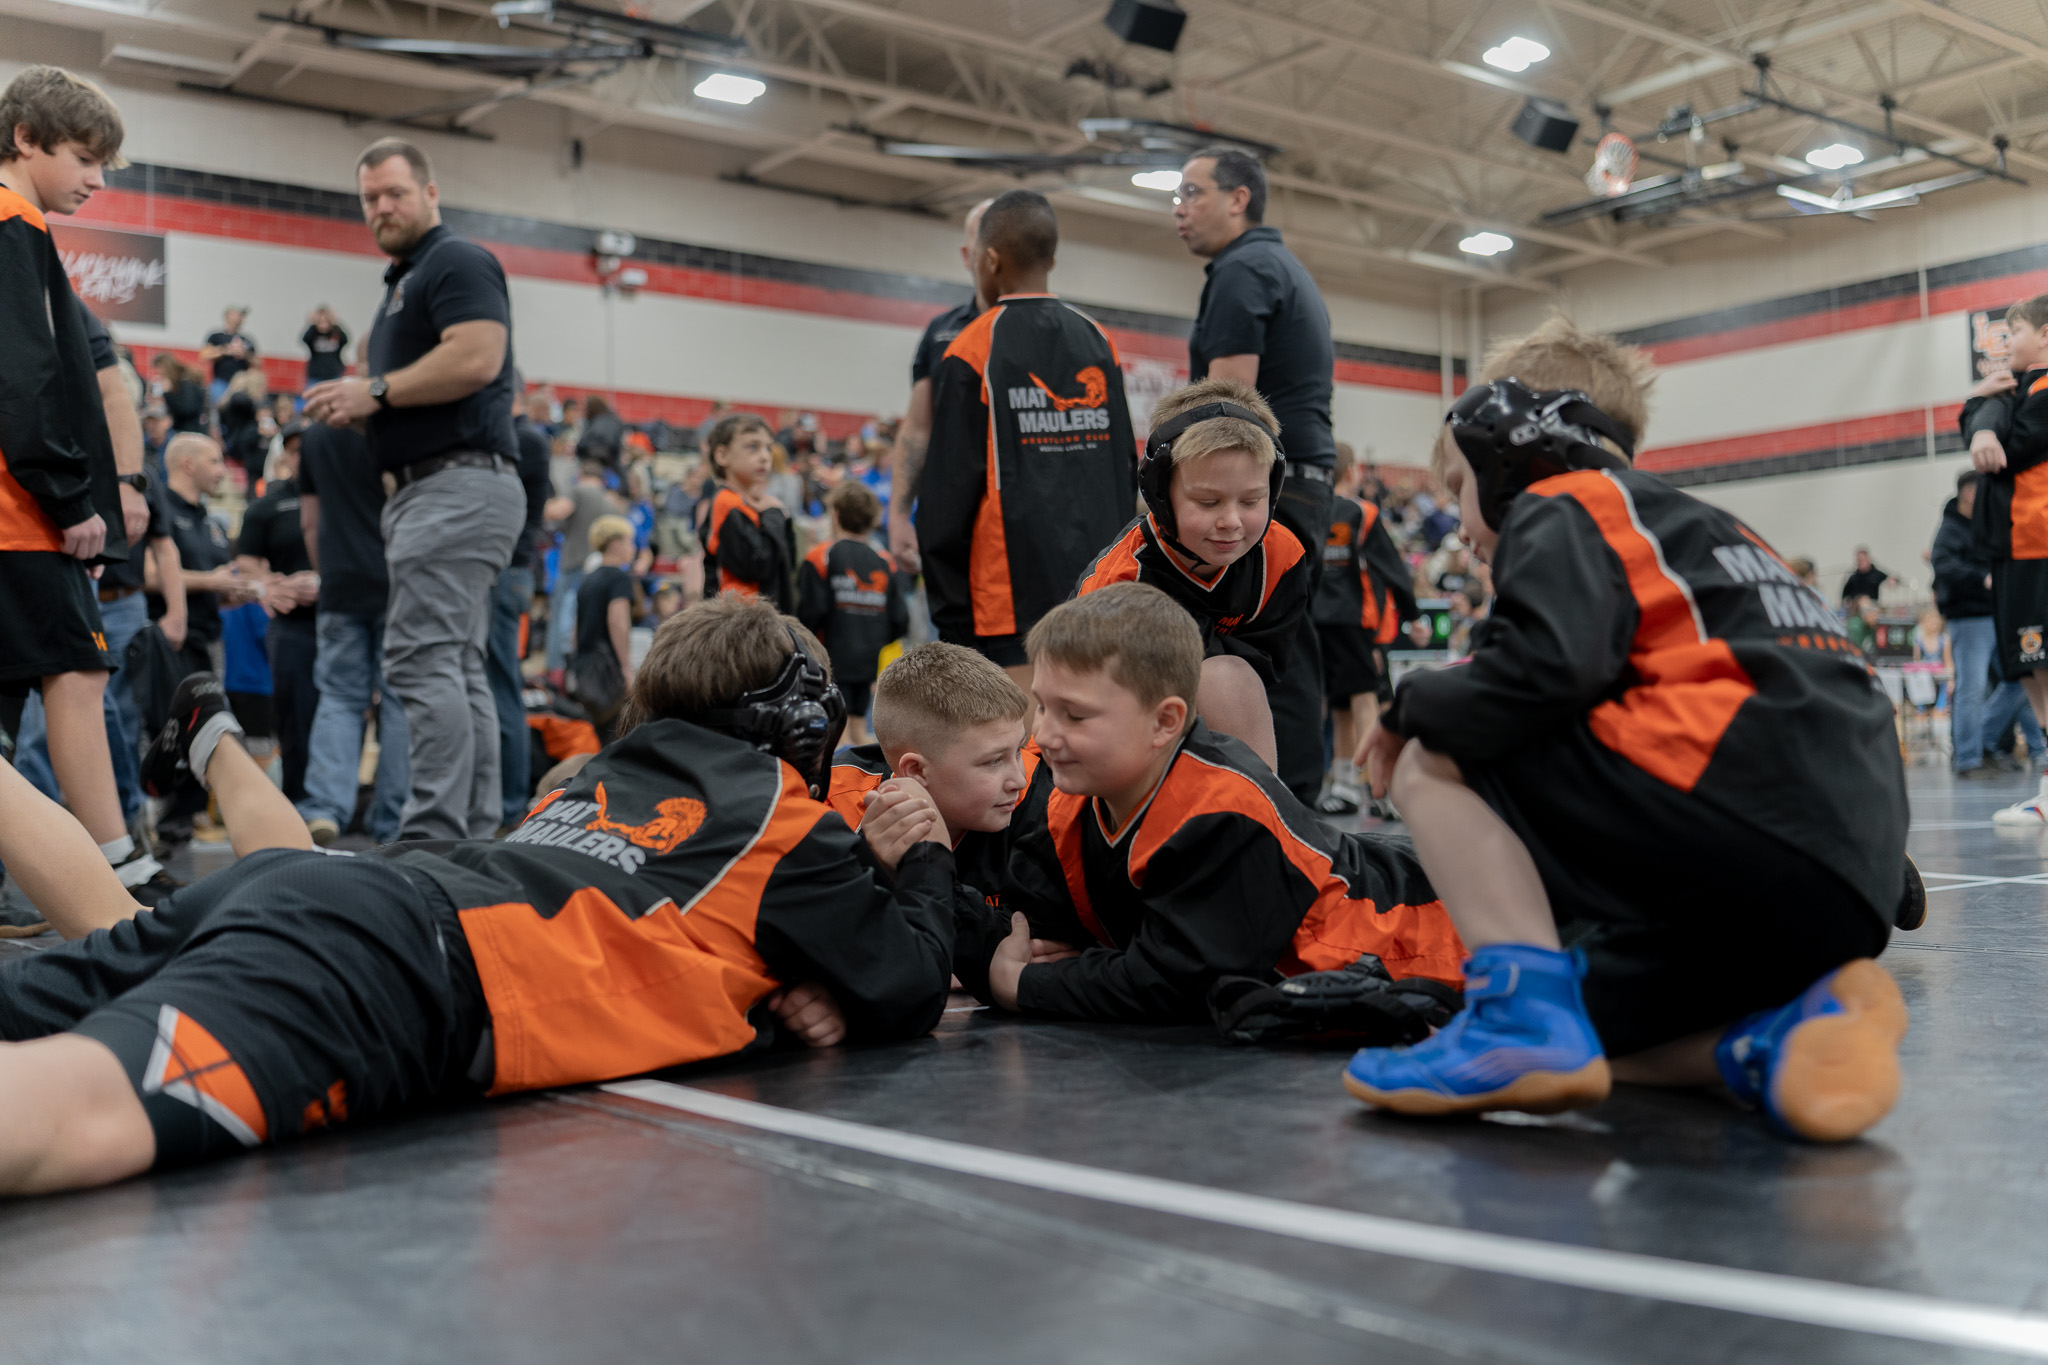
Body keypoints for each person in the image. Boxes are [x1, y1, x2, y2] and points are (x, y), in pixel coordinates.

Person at [0, 595, 961, 1195]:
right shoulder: (783, 820)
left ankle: (212, 742)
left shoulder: (586, 777)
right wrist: (923, 856)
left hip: (318, 889)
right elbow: (908, 982)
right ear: (802, 724)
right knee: (73, 1115)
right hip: (388, 959)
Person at [1343, 318, 1917, 1144]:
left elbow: (1543, 669)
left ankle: (1517, 1015)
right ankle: (1781, 1034)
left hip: (1733, 815)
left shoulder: (1564, 504)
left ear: (1512, 450)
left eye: (1461, 483)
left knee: (1438, 747)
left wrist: (1410, 709)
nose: (1460, 524)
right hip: (1844, 879)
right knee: (1588, 1013)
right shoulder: (1714, 533)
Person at [977, 582, 1464, 1023]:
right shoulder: (1069, 805)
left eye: (1075, 715)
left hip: (1442, 938)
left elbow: (1174, 984)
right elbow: (1032, 932)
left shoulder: (1223, 811)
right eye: (1043, 706)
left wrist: (1027, 984)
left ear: (1165, 722)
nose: (1044, 734)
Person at [303, 137, 527, 842]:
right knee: (456, 664)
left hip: (454, 485)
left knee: (422, 661)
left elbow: (479, 355)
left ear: (431, 192)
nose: (381, 208)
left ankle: (434, 835)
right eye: (370, 198)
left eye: (395, 193)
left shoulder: (454, 260)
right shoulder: (408, 278)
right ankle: (469, 835)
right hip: (448, 488)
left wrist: (373, 391)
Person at [0, 64, 165, 895]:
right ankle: (116, 865)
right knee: (79, 669)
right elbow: (25, 378)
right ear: (25, 138)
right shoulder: (13, 221)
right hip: (19, 511)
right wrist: (70, 496)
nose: (98, 180)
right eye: (84, 158)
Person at [919, 189, 1138, 686]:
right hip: (1100, 590)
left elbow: (948, 492)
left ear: (990, 260)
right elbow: (1125, 468)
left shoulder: (972, 347)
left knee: (1025, 732)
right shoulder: (1099, 340)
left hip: (1007, 602)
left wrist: (951, 614)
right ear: (1052, 259)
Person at [1175, 146, 1338, 807]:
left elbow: (1228, 409)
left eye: (1192, 193)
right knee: (1286, 641)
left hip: (1271, 484)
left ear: (1238, 199)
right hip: (1299, 479)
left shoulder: (1243, 270)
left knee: (1252, 648)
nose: (1179, 209)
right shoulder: (1277, 266)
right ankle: (1294, 804)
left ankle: (1272, 809)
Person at [1072, 378, 1307, 771]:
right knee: (1224, 677)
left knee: (1232, 680)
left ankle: (1257, 805)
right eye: (1208, 501)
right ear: (1160, 494)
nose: (1231, 521)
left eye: (1251, 500)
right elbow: (1087, 710)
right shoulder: (1117, 583)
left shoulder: (1282, 556)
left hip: (1209, 732)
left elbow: (1264, 676)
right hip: (1109, 745)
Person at [295, 420, 408, 845]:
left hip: (341, 584)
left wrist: (329, 573)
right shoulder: (398, 426)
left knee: (339, 698)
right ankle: (393, 819)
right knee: (398, 700)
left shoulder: (316, 436)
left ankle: (324, 808)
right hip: (397, 582)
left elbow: (310, 522)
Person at [1963, 296, 2048, 824]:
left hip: (2038, 546)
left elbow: (2004, 449)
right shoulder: (2020, 391)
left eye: (2014, 332)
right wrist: (1980, 411)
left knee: (2042, 665)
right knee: (2029, 670)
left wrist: (1983, 413)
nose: (2005, 343)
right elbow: (1982, 439)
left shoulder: (2042, 392)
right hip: (2015, 551)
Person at [886, 198, 991, 574]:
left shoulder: (1049, 332)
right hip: (950, 520)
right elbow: (918, 427)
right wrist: (899, 514)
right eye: (983, 236)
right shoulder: (940, 332)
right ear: (966, 254)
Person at [1314, 443, 1415, 817]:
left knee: (1339, 705)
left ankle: (1343, 785)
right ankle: (1379, 788)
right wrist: (1412, 612)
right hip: (1355, 620)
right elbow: (1392, 567)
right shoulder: (1364, 513)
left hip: (1317, 619)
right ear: (1352, 471)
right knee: (1364, 700)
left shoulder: (1312, 509)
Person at [234, 424, 319, 802]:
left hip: (346, 620)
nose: (304, 456)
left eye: (310, 448)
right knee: (294, 719)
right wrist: (274, 585)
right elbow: (246, 563)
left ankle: (340, 805)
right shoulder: (268, 505)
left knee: (346, 715)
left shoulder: (345, 495)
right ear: (284, 456)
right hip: (292, 626)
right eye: (295, 450)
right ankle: (299, 803)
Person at [797, 481, 908, 745]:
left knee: (838, 733)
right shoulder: (884, 560)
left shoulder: (820, 556)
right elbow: (900, 619)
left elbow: (810, 613)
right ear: (873, 520)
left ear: (835, 515)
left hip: (830, 660)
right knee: (858, 728)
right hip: (868, 662)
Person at [490, 387, 552, 829]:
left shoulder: (523, 438)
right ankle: (505, 802)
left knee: (500, 685)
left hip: (505, 570)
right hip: (508, 571)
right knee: (497, 684)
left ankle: (509, 804)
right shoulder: (524, 437)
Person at [1935, 471, 2000, 778]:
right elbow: (1944, 564)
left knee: (2022, 680)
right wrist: (1980, 577)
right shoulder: (1950, 529)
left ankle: (1983, 740)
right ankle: (1968, 758)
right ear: (1969, 494)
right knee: (1971, 689)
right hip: (1969, 617)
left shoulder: (1985, 524)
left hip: (1995, 613)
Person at [697, 412, 796, 611]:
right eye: (753, 447)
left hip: (763, 617)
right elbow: (758, 564)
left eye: (768, 448)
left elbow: (786, 561)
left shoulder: (754, 504)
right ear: (722, 455)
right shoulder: (727, 503)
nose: (765, 457)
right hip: (739, 620)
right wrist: (773, 514)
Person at [542, 459, 618, 673]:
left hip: (574, 566)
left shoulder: (578, 490)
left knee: (561, 618)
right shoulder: (609, 501)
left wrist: (538, 501)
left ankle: (556, 670)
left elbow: (557, 511)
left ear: (581, 475)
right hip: (599, 570)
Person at [569, 515, 638, 743]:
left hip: (585, 667)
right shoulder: (619, 578)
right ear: (615, 544)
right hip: (606, 669)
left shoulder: (588, 579)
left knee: (595, 733)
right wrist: (626, 667)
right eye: (629, 542)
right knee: (614, 734)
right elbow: (617, 621)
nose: (633, 548)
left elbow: (575, 629)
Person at [199, 305, 257, 407]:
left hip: (241, 383)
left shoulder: (247, 339)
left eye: (240, 316)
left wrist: (245, 354)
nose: (238, 318)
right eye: (235, 314)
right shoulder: (216, 337)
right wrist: (226, 350)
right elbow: (204, 355)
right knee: (218, 408)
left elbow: (257, 362)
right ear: (227, 316)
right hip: (221, 382)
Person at [151, 354, 207, 434]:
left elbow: (186, 408)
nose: (160, 377)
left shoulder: (185, 383)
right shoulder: (181, 383)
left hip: (190, 431)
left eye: (160, 374)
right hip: (186, 430)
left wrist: (167, 394)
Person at [301, 305, 349, 385]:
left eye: (325, 321)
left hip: (333, 374)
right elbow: (305, 339)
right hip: (315, 375)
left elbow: (345, 339)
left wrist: (336, 322)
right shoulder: (313, 333)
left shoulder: (335, 333)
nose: (323, 324)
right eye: (320, 321)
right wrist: (311, 324)